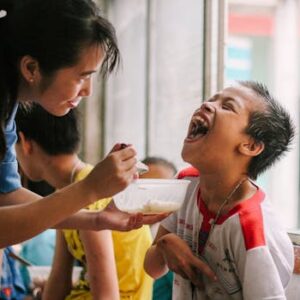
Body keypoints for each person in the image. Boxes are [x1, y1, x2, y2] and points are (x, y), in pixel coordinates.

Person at [0, 0, 166, 252]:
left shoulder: (7, 104)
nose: (88, 91)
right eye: (82, 76)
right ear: (31, 68)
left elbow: (8, 195)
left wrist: (96, 219)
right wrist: (90, 189)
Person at [144, 81, 295, 299]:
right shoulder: (186, 183)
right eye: (212, 98)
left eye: (227, 106)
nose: (206, 104)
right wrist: (165, 246)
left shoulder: (251, 226)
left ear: (251, 146)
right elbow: (152, 267)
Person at [15, 104, 153, 300]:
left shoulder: (90, 194)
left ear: (24, 142)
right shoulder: (70, 191)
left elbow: (107, 296)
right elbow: (59, 279)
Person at [139, 157, 177, 300]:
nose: (153, 197)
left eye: (162, 189)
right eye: (145, 187)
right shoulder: (115, 233)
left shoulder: (177, 238)